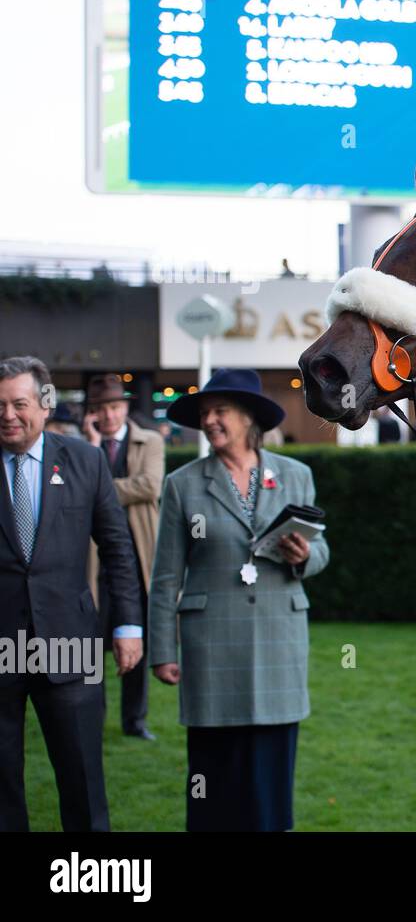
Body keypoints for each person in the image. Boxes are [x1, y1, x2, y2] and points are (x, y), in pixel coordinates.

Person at [148, 368, 329, 831]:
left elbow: (323, 550)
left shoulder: (296, 475)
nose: (209, 420)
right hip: (211, 648)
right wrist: (162, 651)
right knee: (213, 778)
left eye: (219, 411)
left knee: (270, 778)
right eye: (204, 413)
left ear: (249, 418)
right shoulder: (182, 484)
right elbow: (167, 575)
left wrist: (304, 555)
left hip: (277, 641)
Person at [0, 356, 142, 831]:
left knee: (82, 780)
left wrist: (126, 625)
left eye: (18, 403)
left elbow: (118, 549)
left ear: (44, 405)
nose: (7, 415)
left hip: (71, 643)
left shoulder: (85, 460)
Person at [83, 373, 164, 740]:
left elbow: (150, 486)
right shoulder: (83, 447)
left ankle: (135, 720)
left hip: (138, 553)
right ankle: (91, 719)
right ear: (92, 414)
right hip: (95, 561)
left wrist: (97, 490)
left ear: (126, 407)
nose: (110, 415)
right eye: (101, 409)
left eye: (115, 407)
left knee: (136, 639)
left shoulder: (149, 441)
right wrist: (93, 445)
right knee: (91, 645)